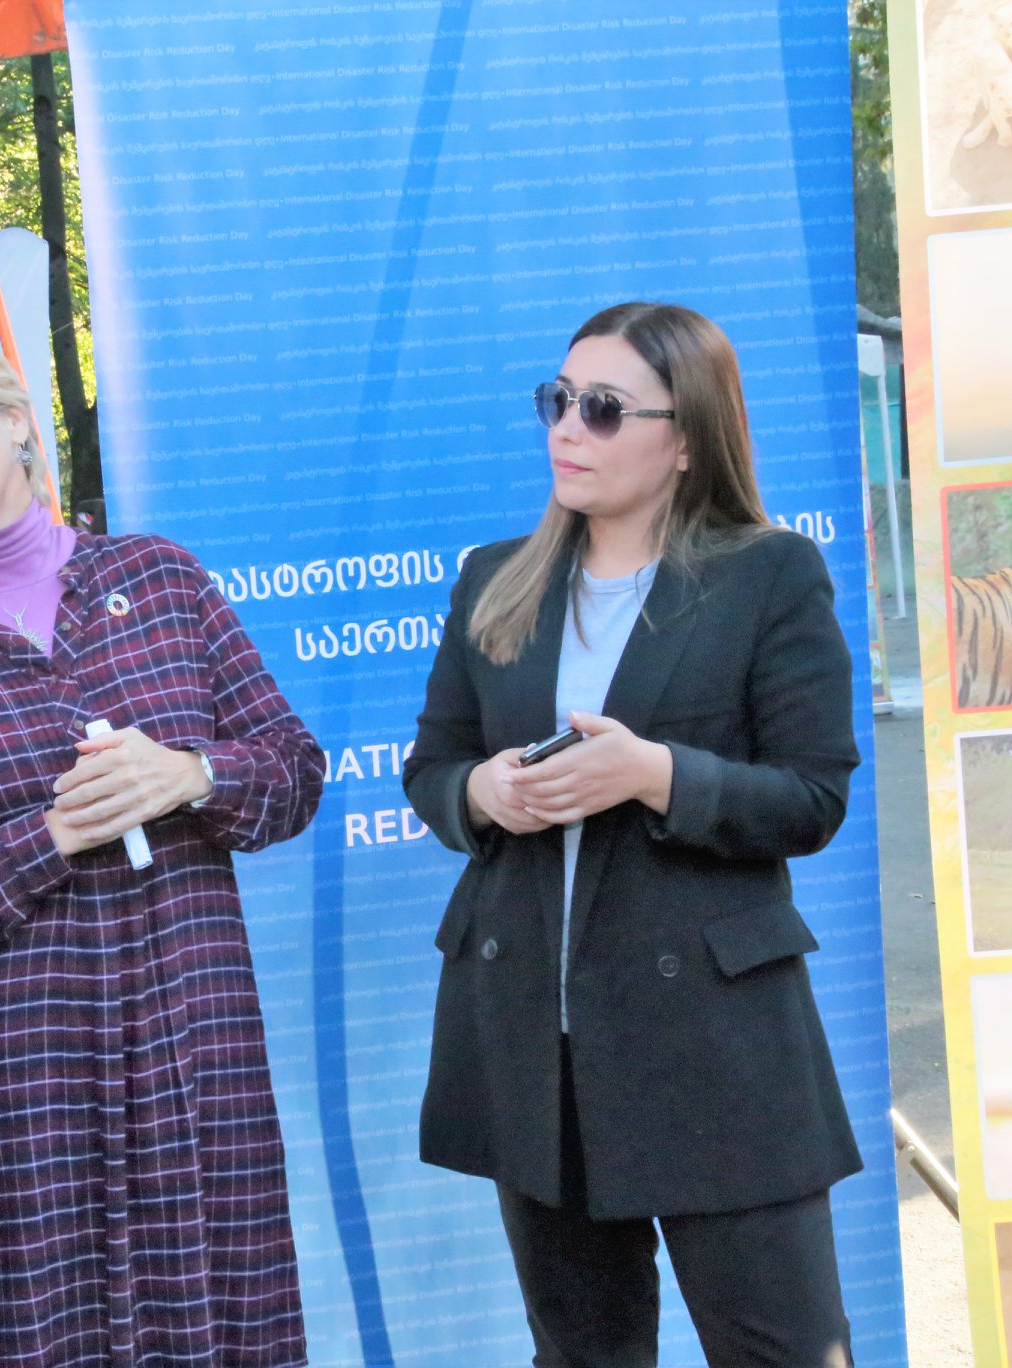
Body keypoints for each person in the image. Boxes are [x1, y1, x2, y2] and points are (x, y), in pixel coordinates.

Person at [0, 322, 321, 1366]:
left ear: (15, 420)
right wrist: (52, 835)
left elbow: (292, 773)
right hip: (15, 1096)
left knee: (218, 1324)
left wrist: (192, 775)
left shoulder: (163, 580)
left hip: (193, 1058)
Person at [404, 302, 862, 1368]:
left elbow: (812, 796)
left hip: (713, 1047)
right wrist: (485, 794)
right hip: (537, 1046)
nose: (569, 428)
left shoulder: (769, 573)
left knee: (785, 1353)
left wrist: (655, 776)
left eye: (604, 408)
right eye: (558, 401)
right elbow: (432, 768)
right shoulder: (495, 579)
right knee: (581, 1356)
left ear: (687, 438)